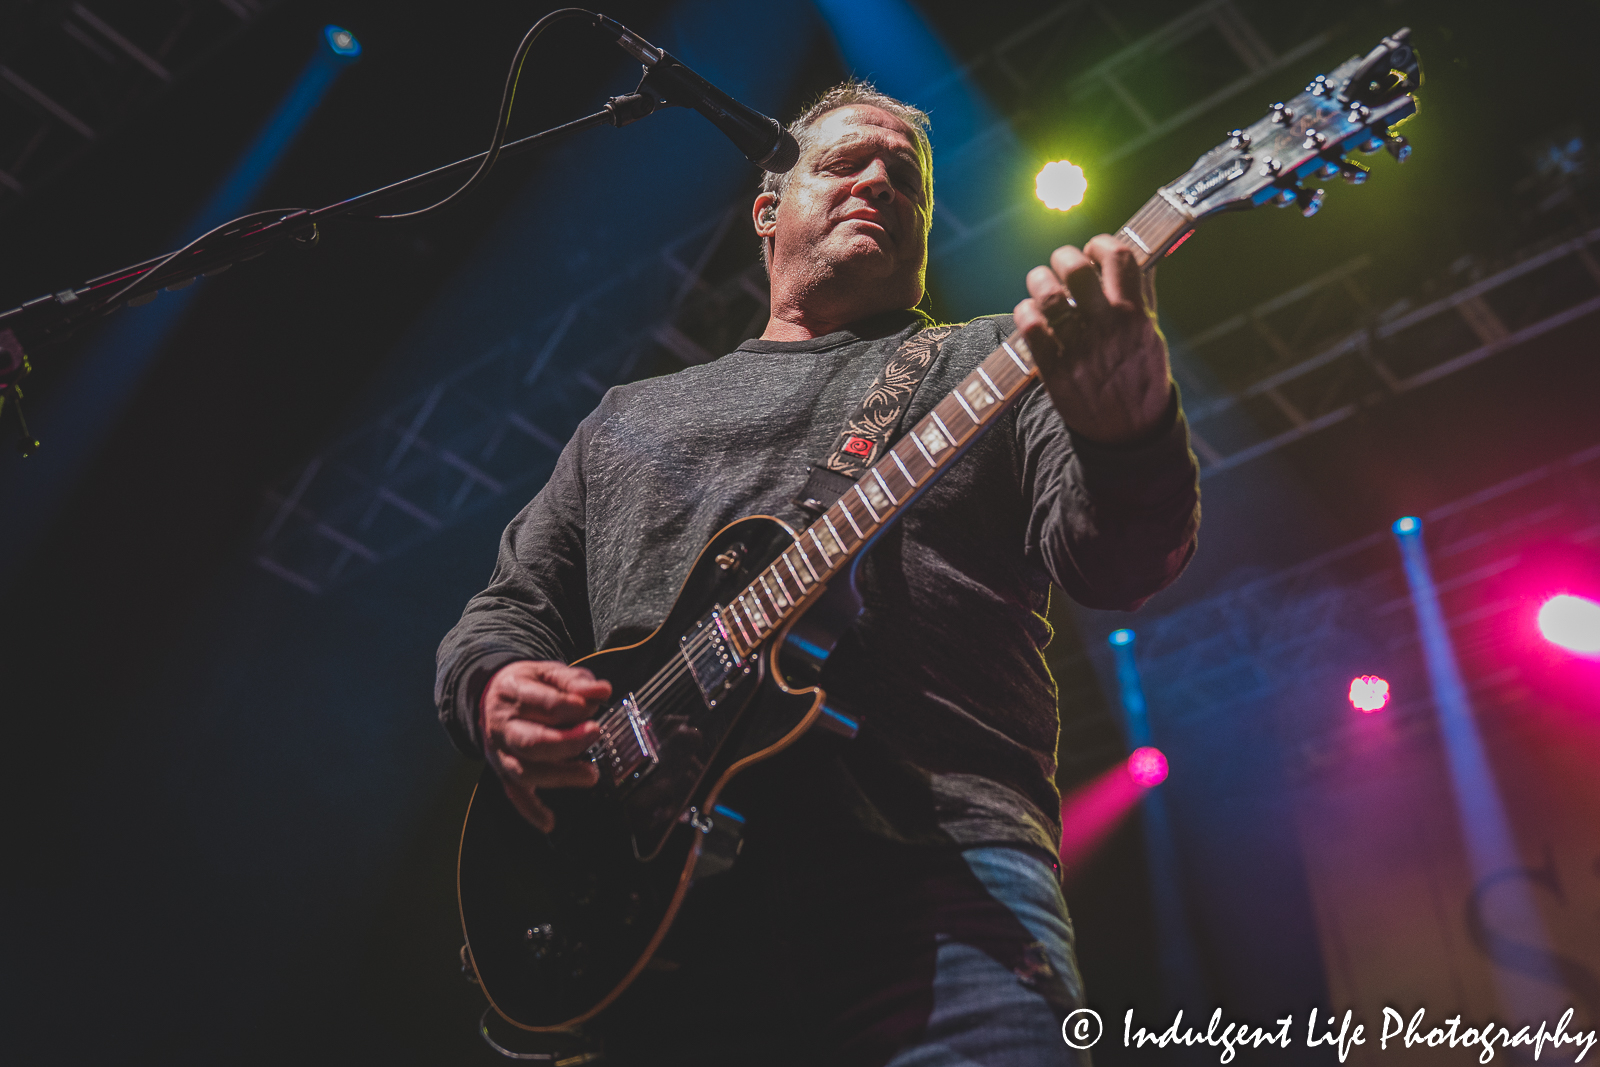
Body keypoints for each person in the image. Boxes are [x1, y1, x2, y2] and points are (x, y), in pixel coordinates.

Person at [436, 81, 1199, 1065]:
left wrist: (1129, 435)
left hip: (934, 882)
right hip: (658, 923)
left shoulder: (990, 361)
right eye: (846, 163)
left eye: (909, 183)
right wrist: (492, 686)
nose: (881, 181)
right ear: (768, 209)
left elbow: (1120, 562)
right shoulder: (626, 419)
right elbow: (511, 605)